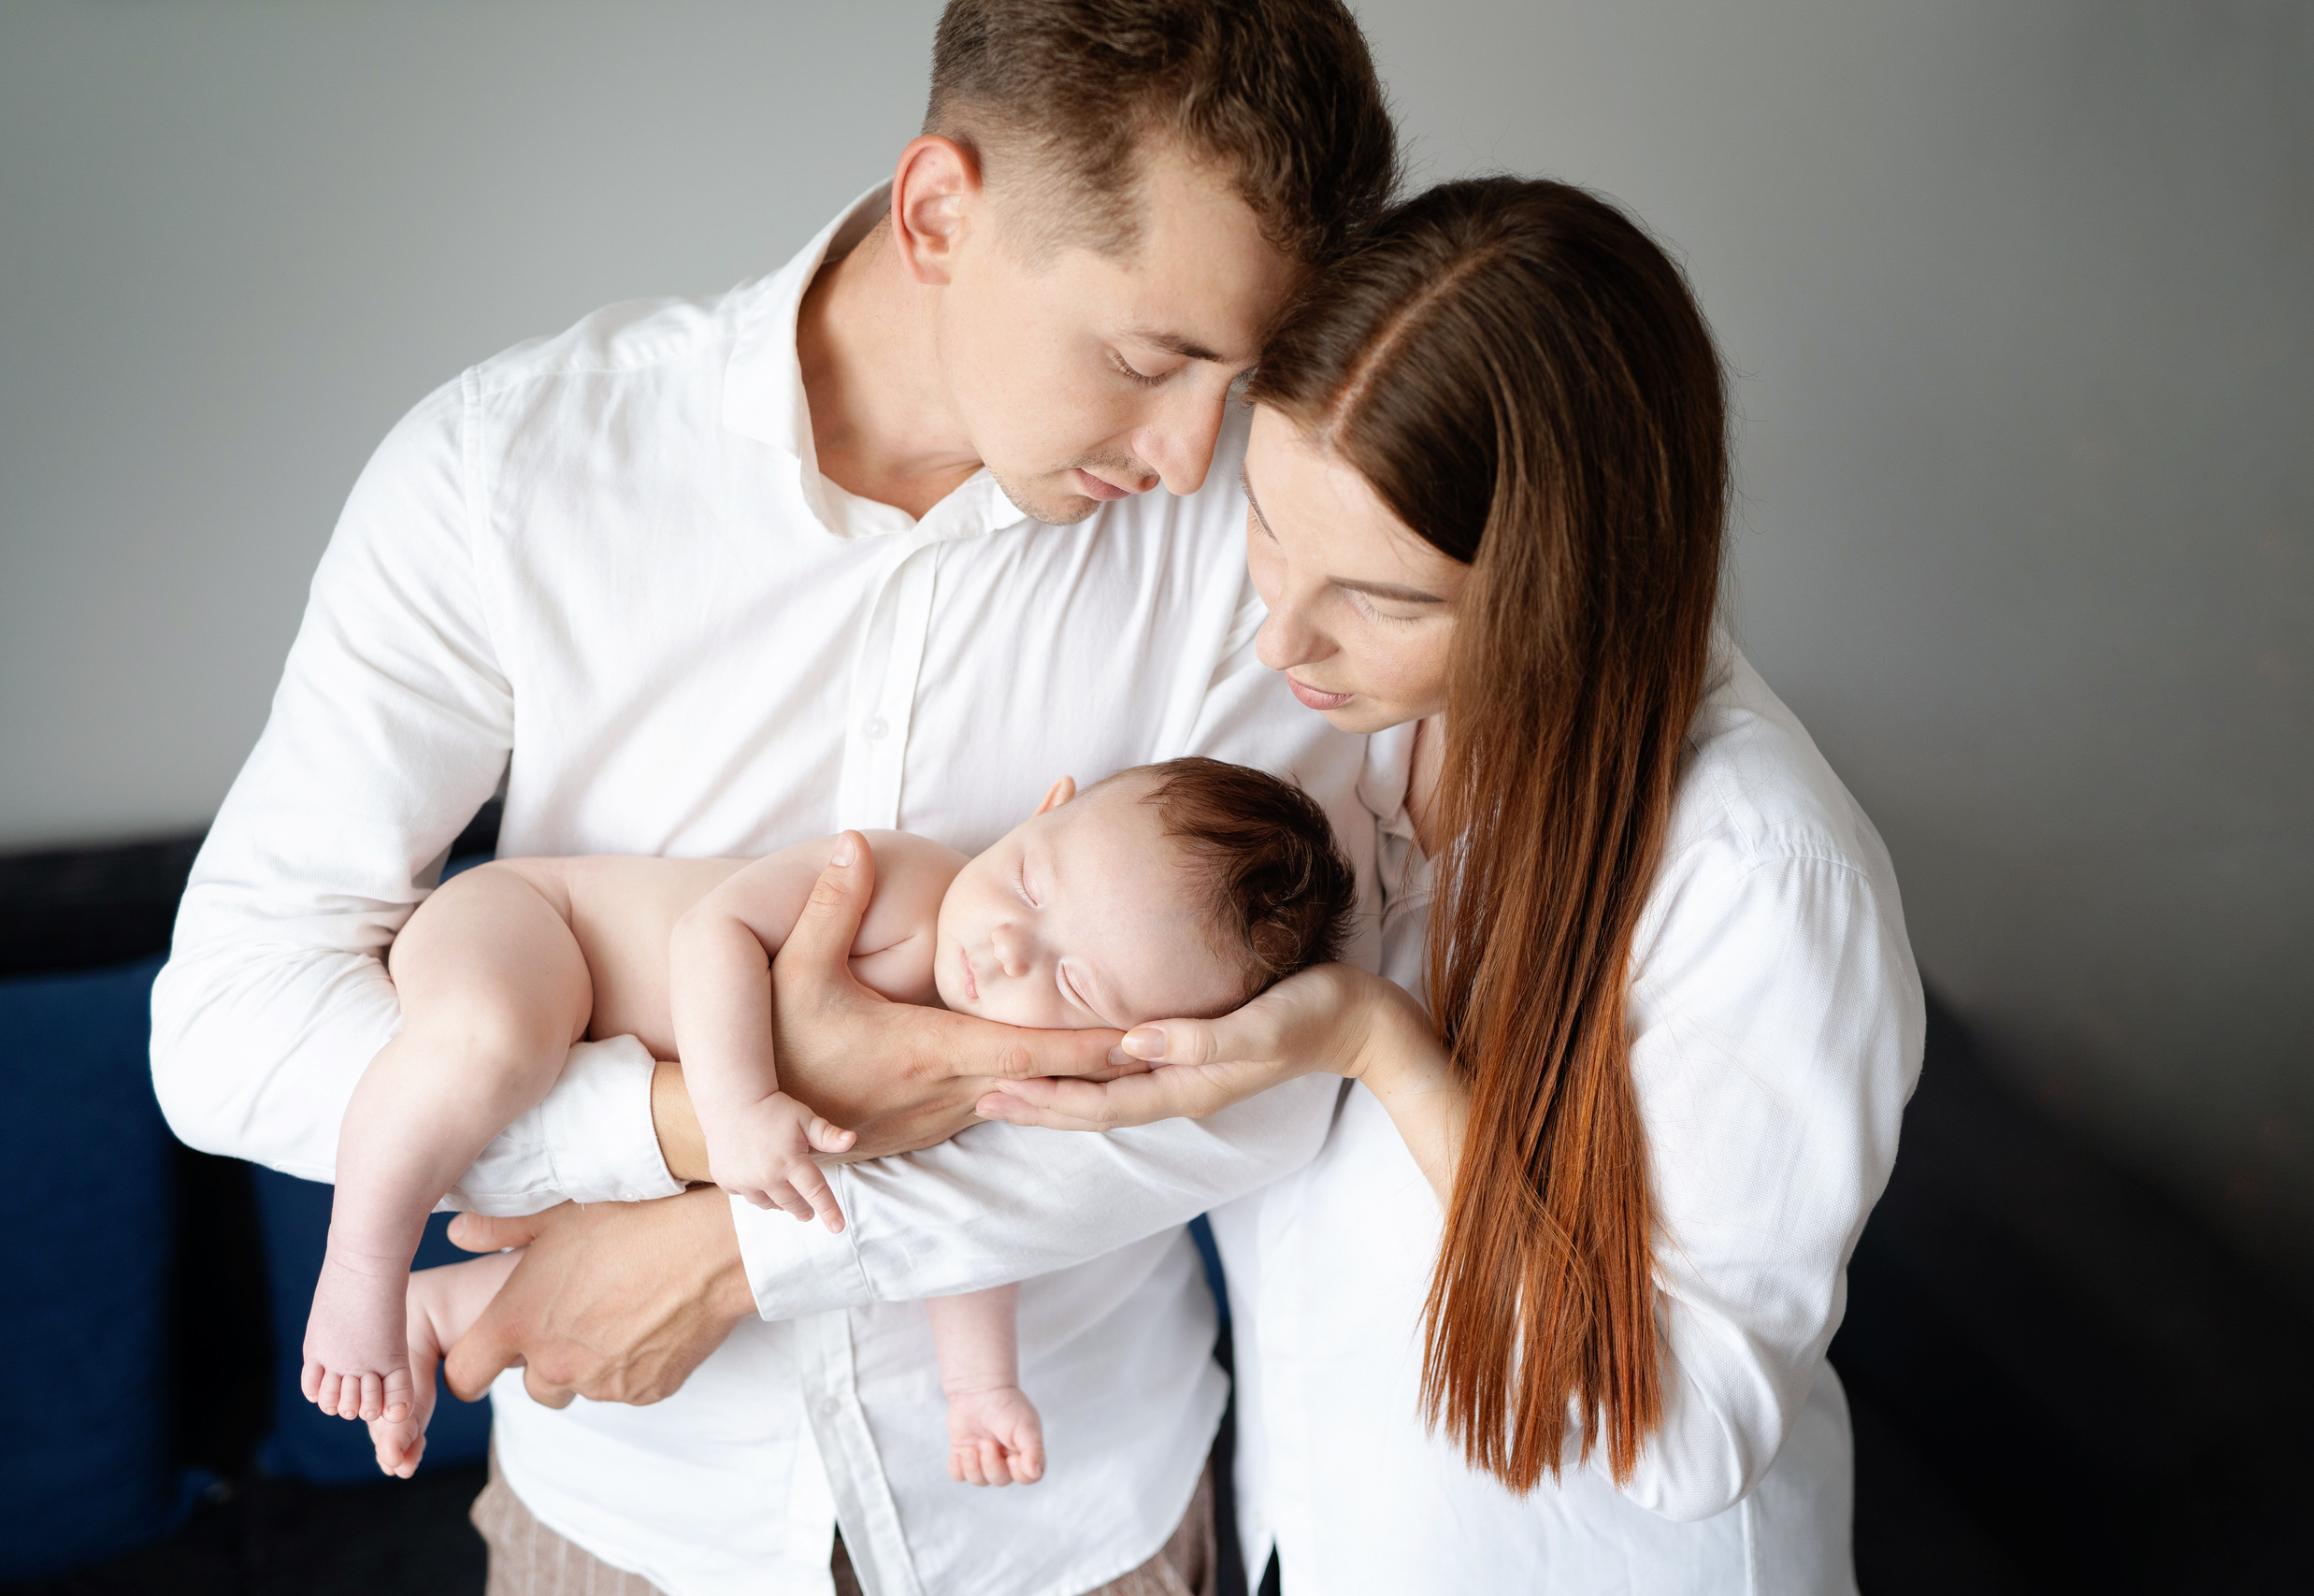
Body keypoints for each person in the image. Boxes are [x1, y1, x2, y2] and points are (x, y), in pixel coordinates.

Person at [151, 2, 1399, 1590]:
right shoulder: (506, 473)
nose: (1186, 448)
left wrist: (734, 1248)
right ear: (941, 210)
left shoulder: (1260, 526)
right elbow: (226, 1028)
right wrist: (667, 1125)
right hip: (623, 1524)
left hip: (1073, 1517)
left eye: (1240, 373)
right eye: (1150, 359)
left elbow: (1278, 1068)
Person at [978, 178, 1927, 1591]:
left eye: (1386, 595)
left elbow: (1687, 1435)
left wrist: (1386, 1045)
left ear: (1567, 590)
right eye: (1270, 526)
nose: (1279, 630)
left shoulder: (1761, 881)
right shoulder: (1339, 733)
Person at [310, 760, 1351, 1489]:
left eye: (1073, 981)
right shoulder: (911, 885)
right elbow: (715, 931)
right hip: (540, 931)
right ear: (1045, 807)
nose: (1004, 949)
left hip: (626, 1077)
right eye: (1031, 880)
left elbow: (973, 1230)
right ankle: (359, 1264)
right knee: (493, 1046)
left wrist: (979, 1385)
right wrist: (736, 1109)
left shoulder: (992, 1061)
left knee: (753, 1213)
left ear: (1136, 1040)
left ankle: (434, 1314)